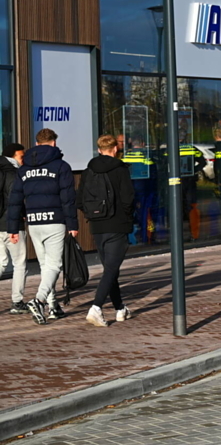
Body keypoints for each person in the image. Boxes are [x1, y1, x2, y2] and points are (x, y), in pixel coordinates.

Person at [7, 128, 77, 324]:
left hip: (34, 222)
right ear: (54, 143)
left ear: (37, 144)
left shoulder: (24, 169)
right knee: (54, 265)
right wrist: (72, 224)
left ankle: (53, 306)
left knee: (46, 266)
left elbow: (15, 200)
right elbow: (68, 198)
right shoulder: (61, 166)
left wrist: (13, 228)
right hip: (55, 221)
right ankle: (38, 301)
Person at [78, 135, 135, 327]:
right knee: (111, 269)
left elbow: (80, 200)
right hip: (117, 224)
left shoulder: (88, 170)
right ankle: (96, 308)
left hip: (97, 226)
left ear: (99, 150)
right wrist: (127, 217)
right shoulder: (121, 169)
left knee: (111, 269)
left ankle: (120, 308)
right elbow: (128, 198)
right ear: (115, 149)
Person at [0, 143, 26, 314]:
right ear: (12, 156)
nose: (23, 160)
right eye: (21, 156)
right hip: (12, 224)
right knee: (19, 263)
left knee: (1, 262)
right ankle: (17, 302)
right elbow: (14, 200)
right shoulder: (13, 173)